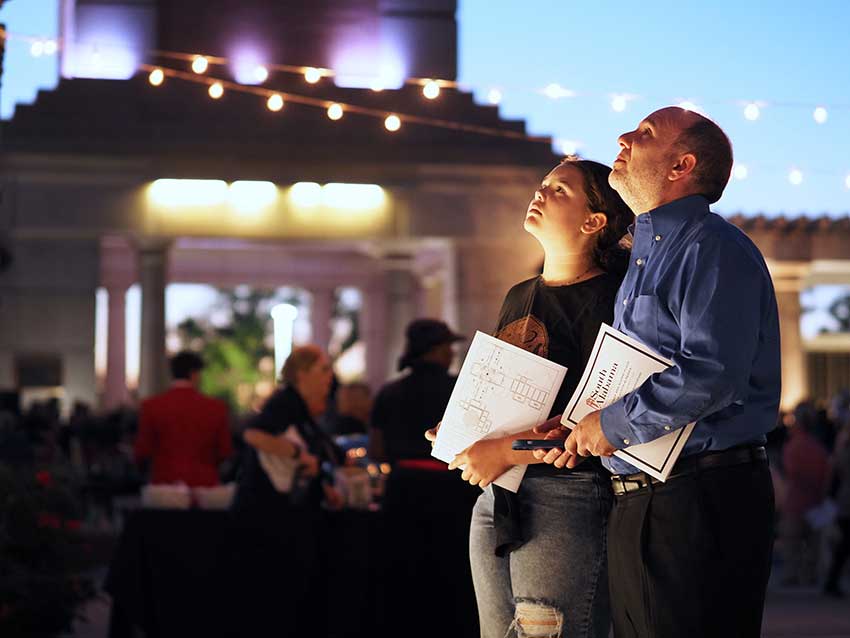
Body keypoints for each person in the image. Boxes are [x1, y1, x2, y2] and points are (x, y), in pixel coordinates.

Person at [535, 107, 780, 638]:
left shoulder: (711, 248)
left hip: (699, 497)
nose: (623, 136)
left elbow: (712, 373)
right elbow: (636, 370)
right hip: (646, 495)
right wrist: (582, 425)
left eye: (645, 134)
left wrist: (613, 425)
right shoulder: (649, 253)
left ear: (681, 165)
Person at [428, 157, 633, 638]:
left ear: (594, 222)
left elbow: (587, 424)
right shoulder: (520, 293)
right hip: (498, 492)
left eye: (559, 190)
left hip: (568, 496)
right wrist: (464, 428)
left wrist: (500, 448)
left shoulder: (616, 298)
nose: (540, 193)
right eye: (542, 185)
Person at [226, 345, 344, 636]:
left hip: (286, 521)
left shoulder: (301, 409)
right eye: (323, 369)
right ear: (302, 373)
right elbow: (254, 434)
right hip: (270, 522)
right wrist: (298, 455)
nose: (330, 376)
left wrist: (321, 480)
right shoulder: (285, 403)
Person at [369, 319, 463, 463]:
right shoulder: (459, 388)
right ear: (435, 350)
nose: (452, 353)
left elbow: (376, 450)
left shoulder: (388, 393)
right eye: (448, 346)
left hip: (401, 481)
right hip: (452, 480)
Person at [134, 351, 231, 487]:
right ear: (194, 374)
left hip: (164, 486)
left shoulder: (151, 406)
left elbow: (143, 450)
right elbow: (224, 451)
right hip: (205, 486)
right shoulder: (216, 408)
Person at [781, 401, 831, 586]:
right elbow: (826, 474)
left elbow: (790, 472)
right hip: (815, 502)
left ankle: (793, 574)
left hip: (795, 501)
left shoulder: (792, 447)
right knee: (813, 545)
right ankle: (809, 575)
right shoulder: (819, 448)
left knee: (792, 543)